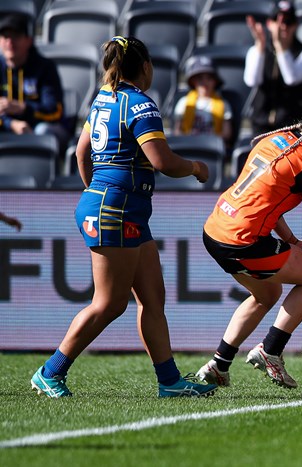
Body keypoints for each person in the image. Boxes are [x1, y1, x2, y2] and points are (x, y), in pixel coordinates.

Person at [30, 36, 216, 398]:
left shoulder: (103, 98)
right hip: (116, 208)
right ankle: (49, 372)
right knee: (110, 302)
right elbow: (162, 160)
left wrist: (95, 190)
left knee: (152, 297)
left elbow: (81, 152)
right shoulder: (140, 104)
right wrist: (196, 167)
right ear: (145, 67)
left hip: (117, 205)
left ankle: (169, 381)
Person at [196, 105, 302, 388]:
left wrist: (290, 239)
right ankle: (271, 350)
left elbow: (266, 196)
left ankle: (219, 364)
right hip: (243, 241)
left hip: (216, 228)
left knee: (267, 294)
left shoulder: (277, 139)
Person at [244, 1, 302, 135]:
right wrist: (260, 47)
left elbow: (291, 78)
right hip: (262, 124)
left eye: (288, 22)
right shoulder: (257, 51)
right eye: (276, 20)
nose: (283, 26)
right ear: (269, 24)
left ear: (295, 25)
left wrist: (280, 46)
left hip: (294, 126)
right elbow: (252, 80)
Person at [0, 13, 69, 149]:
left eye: (16, 36)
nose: (10, 42)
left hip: (39, 127)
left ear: (29, 40)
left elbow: (55, 111)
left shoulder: (44, 67)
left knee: (43, 131)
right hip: (6, 126)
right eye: (5, 37)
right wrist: (12, 124)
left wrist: (23, 108)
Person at [173, 55, 233, 147]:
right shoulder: (184, 102)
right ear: (193, 81)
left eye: (209, 78)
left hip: (212, 147)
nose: (204, 83)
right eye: (200, 78)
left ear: (215, 81)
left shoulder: (224, 104)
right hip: (188, 146)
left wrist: (209, 141)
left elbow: (227, 133)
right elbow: (178, 131)